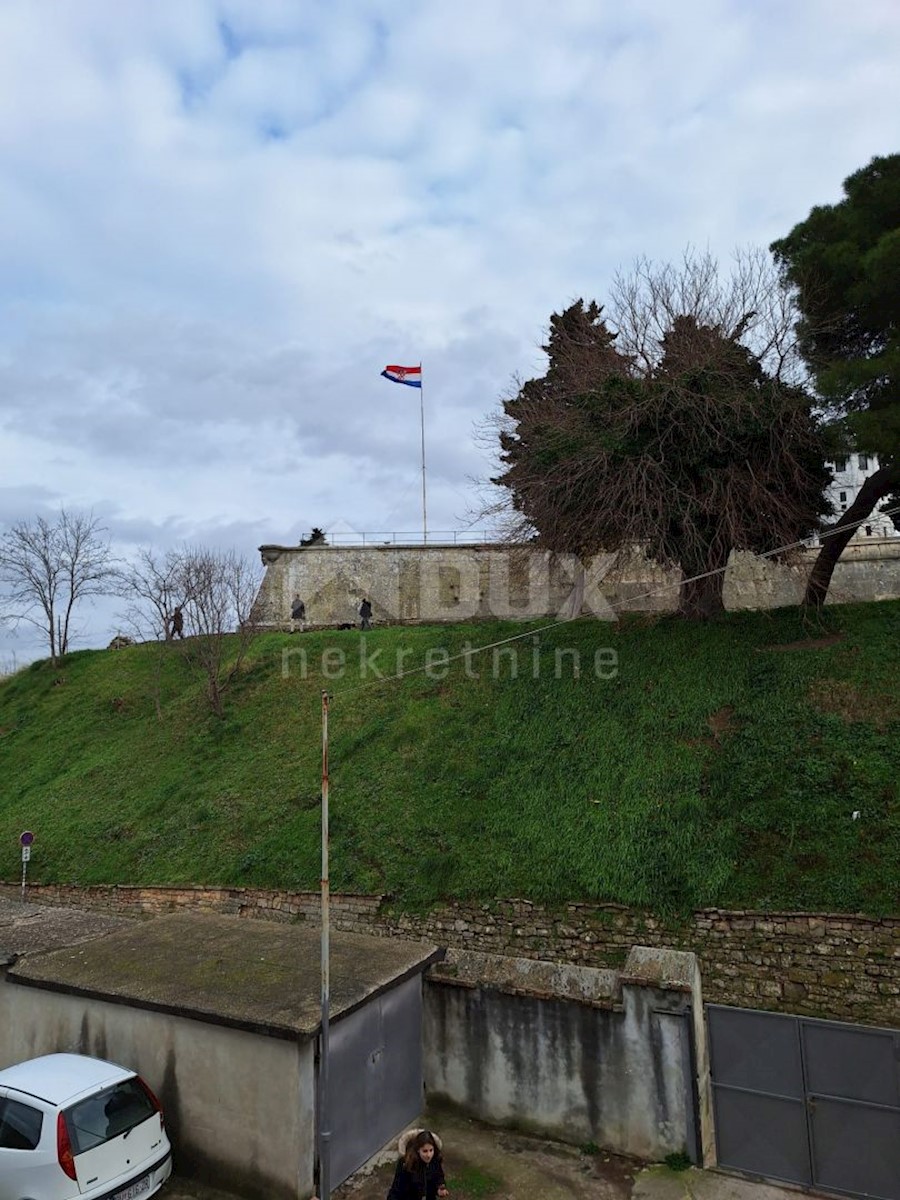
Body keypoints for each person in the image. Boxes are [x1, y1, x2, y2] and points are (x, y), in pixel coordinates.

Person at [387, 1129, 449, 1200]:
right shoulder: (406, 1164)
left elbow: (439, 1177)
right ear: (418, 1150)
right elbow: (397, 1189)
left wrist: (440, 1188)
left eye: (431, 1150)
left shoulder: (435, 1161)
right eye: (425, 1151)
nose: (429, 1155)